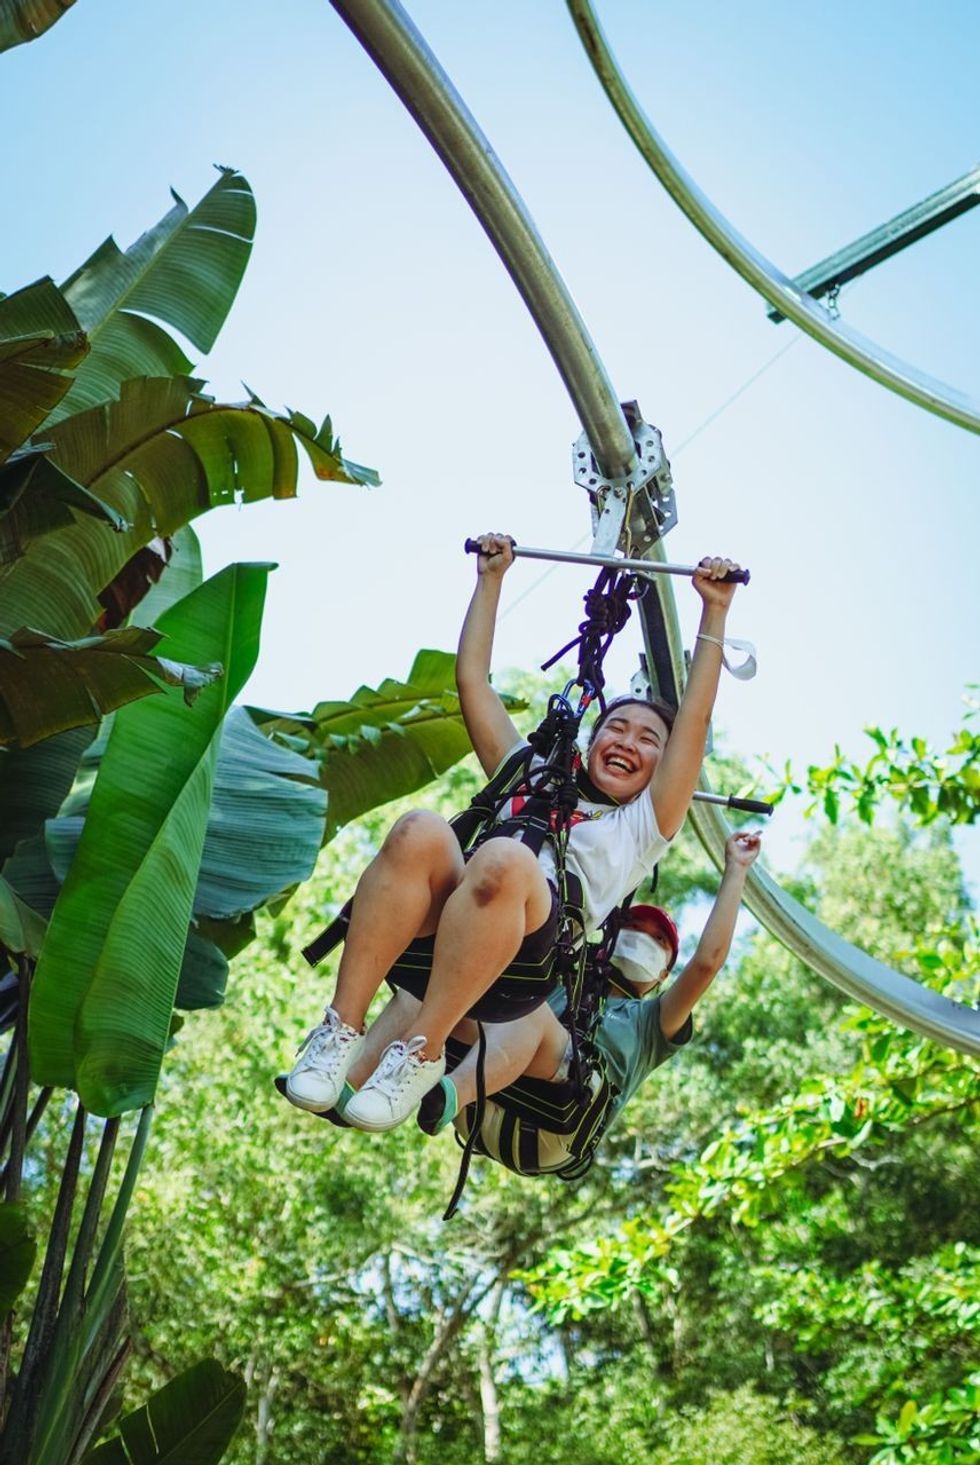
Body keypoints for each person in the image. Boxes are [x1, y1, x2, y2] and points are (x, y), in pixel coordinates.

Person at [284, 533, 745, 1132]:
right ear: (592, 739)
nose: (628, 742)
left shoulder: (642, 827)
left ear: (661, 767)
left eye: (647, 740)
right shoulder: (530, 776)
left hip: (523, 967)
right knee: (420, 829)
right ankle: (337, 1032)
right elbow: (472, 681)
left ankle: (420, 1055)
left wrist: (715, 611)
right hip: (446, 940)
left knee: (504, 858)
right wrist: (491, 580)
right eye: (617, 728)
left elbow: (695, 723)